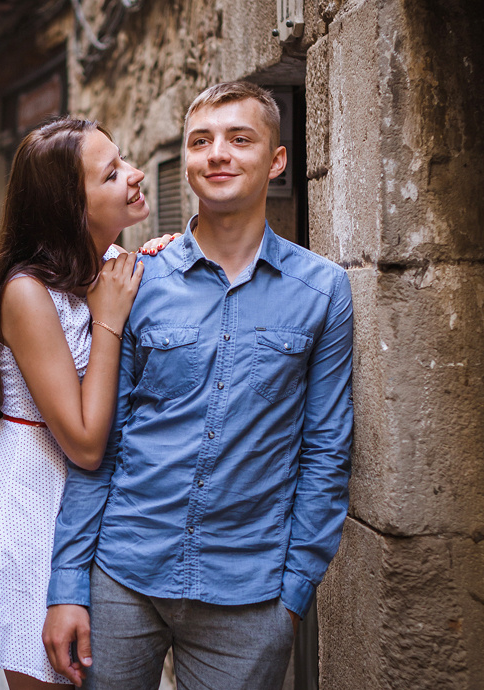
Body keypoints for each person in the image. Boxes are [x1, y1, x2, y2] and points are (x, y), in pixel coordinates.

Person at [43, 81, 354, 689]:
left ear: (278, 160)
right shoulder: (136, 282)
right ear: (185, 161)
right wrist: (67, 586)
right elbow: (99, 445)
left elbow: (326, 451)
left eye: (241, 139)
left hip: (251, 593)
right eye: (201, 141)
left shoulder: (323, 291)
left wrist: (292, 593)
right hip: (123, 577)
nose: (218, 154)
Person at [0, 117, 176, 690]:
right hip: (33, 508)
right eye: (112, 173)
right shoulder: (27, 292)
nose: (135, 175)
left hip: (89, 515)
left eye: (123, 161)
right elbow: (83, 440)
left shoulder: (103, 269)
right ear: (72, 207)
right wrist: (109, 317)